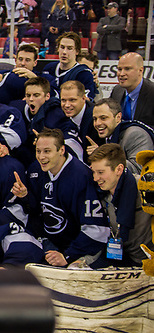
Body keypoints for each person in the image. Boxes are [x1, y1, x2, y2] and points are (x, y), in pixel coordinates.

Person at [20, 128, 109, 267]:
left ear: (61, 150)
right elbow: (35, 210)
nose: (41, 156)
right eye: (38, 151)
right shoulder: (35, 170)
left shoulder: (81, 176)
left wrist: (68, 255)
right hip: (50, 242)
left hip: (77, 248)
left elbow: (96, 229)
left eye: (47, 151)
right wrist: (25, 196)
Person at [89, 143, 153, 267]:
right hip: (121, 256)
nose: (95, 178)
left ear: (118, 169)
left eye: (101, 172)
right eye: (93, 172)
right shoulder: (99, 193)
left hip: (147, 262)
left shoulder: (144, 188)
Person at [89, 98, 154, 175]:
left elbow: (140, 170)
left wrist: (104, 157)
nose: (97, 123)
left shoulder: (135, 134)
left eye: (103, 118)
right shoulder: (109, 134)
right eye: (95, 119)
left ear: (118, 117)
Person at [41, 32, 96, 100]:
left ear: (77, 51)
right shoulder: (49, 68)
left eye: (69, 48)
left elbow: (87, 101)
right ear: (58, 49)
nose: (64, 52)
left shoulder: (84, 74)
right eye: (62, 47)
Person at [110, 52, 154, 128]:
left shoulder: (152, 93)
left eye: (127, 69)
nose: (122, 74)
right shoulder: (117, 91)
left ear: (140, 70)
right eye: (119, 69)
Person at [60, 80, 101, 160]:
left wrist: (100, 151)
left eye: (72, 100)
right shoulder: (60, 116)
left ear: (83, 98)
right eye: (63, 100)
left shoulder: (95, 118)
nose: (67, 105)